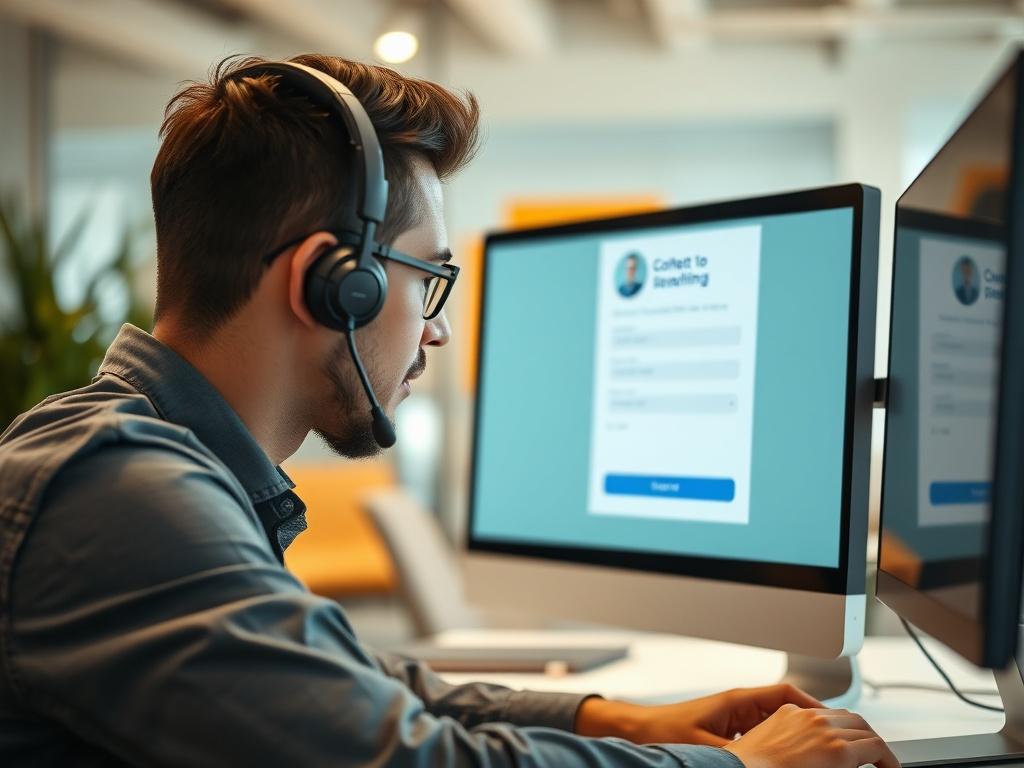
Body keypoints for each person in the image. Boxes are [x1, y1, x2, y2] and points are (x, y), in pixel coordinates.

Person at [0, 54, 898, 768]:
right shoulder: (119, 488)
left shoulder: (158, 462)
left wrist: (612, 717)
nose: (436, 332)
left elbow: (338, 682)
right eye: (429, 279)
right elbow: (389, 755)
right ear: (332, 283)